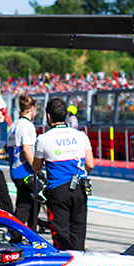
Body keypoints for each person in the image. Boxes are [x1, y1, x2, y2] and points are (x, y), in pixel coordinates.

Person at [33, 97, 94, 250]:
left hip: (58, 190)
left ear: (48, 116)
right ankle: (78, 265)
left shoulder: (43, 139)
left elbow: (36, 168)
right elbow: (91, 165)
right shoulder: (81, 135)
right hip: (80, 187)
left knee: (61, 235)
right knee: (78, 235)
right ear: (65, 115)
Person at [7, 96, 39, 226]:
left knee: (31, 204)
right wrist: (37, 168)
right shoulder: (27, 126)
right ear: (32, 109)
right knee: (25, 207)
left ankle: (30, 234)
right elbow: (26, 149)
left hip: (15, 170)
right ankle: (15, 235)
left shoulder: (13, 125)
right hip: (25, 171)